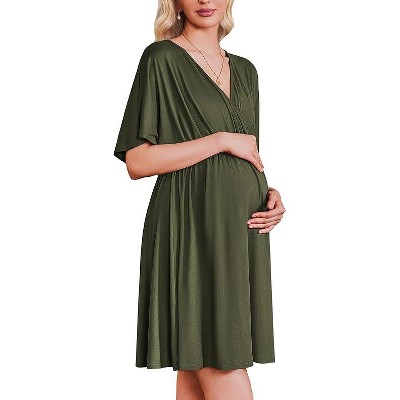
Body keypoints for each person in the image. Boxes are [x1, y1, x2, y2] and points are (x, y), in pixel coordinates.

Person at [113, 0, 286, 398]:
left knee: (197, 363)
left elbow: (248, 152)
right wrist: (219, 140)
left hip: (239, 230)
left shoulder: (246, 71)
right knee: (219, 357)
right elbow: (137, 162)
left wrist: (269, 192)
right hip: (190, 223)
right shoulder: (161, 59)